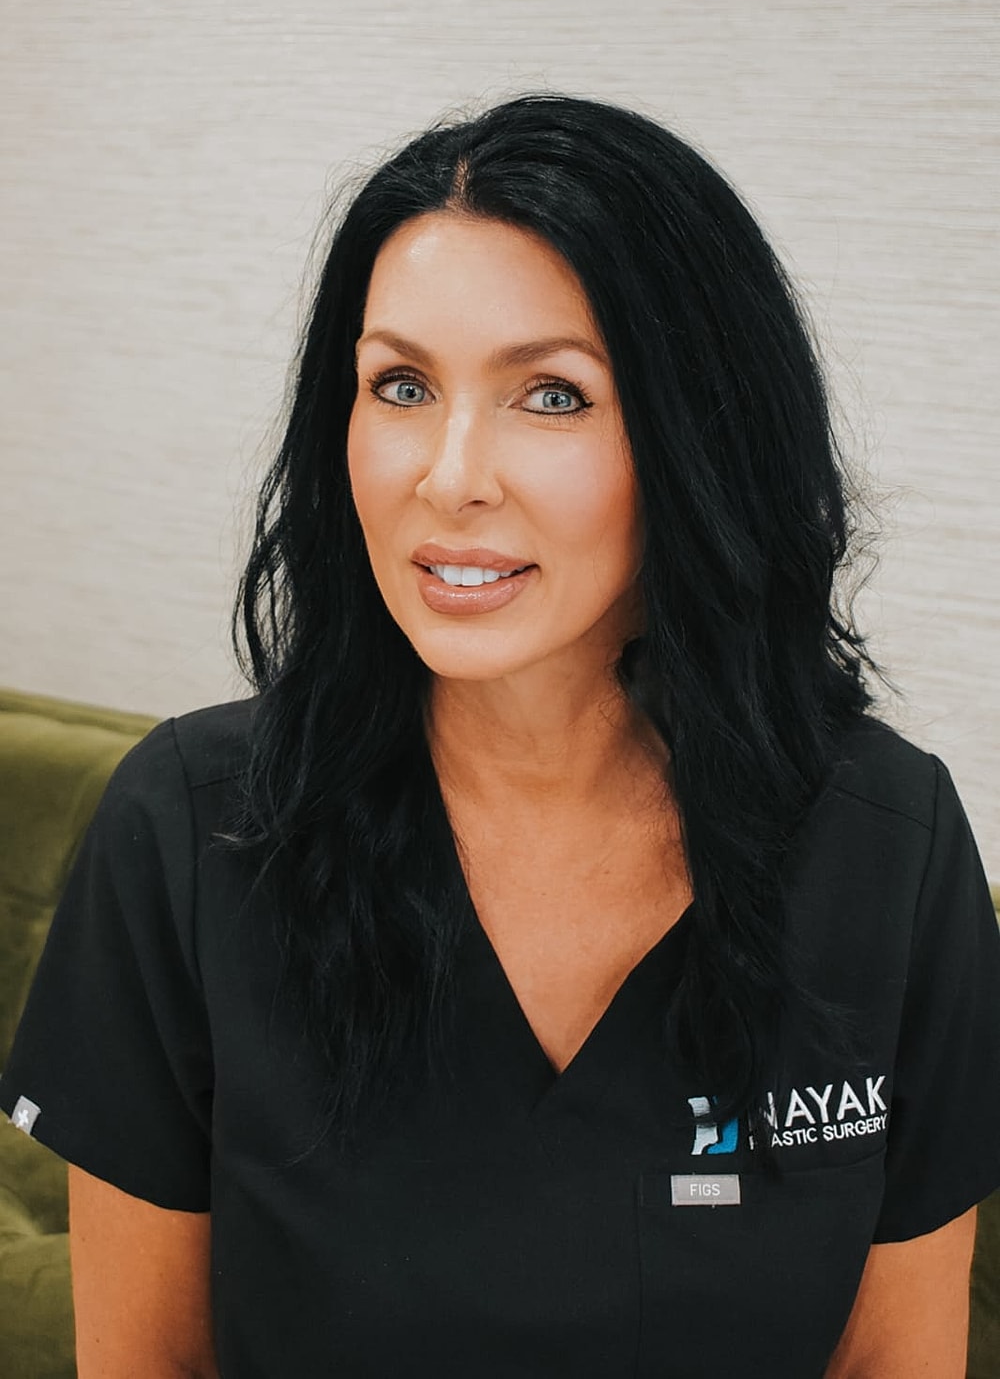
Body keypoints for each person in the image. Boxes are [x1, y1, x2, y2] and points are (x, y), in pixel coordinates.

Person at [3, 93, 1000, 1379]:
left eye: (550, 395)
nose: (450, 473)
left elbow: (888, 1366)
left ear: (700, 439)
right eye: (401, 385)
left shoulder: (888, 848)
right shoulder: (188, 833)